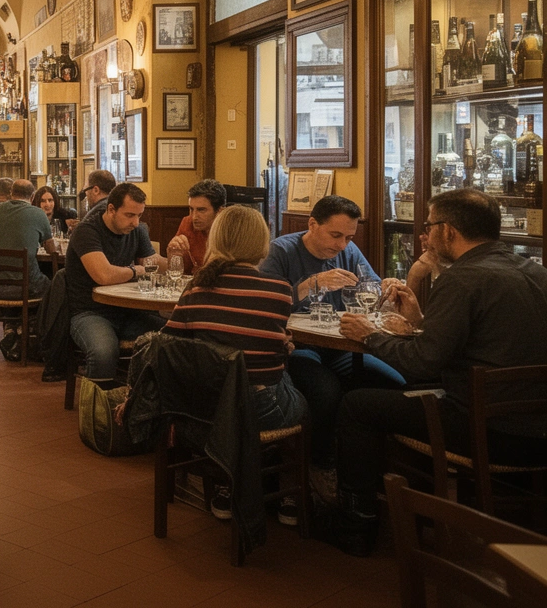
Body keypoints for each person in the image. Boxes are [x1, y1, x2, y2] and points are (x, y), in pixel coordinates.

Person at [324, 189, 547, 557]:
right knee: (408, 390)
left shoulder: (462, 279)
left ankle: (356, 525)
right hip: (536, 428)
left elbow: (422, 362)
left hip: (489, 430)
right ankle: (420, 508)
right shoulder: (536, 271)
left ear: (448, 231)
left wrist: (371, 335)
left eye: (428, 227)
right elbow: (476, 344)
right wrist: (419, 324)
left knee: (358, 404)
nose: (424, 236)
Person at [161, 205, 305, 523]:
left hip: (203, 412)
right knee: (304, 388)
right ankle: (290, 493)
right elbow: (268, 356)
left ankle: (229, 484)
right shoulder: (280, 291)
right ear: (262, 245)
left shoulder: (195, 288)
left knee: (254, 383)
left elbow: (168, 348)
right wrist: (282, 347)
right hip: (261, 412)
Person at [260, 195, 404, 470]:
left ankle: (374, 468)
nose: (341, 245)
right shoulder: (281, 251)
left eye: (349, 237)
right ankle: (318, 467)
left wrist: (387, 290)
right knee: (325, 393)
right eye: (335, 235)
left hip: (342, 346)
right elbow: (265, 304)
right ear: (312, 224)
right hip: (299, 347)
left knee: (393, 383)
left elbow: (372, 291)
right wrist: (310, 284)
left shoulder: (348, 253)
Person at [66, 183, 167, 388]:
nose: (136, 222)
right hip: (90, 311)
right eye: (130, 215)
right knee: (103, 352)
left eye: (139, 215)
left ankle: (146, 404)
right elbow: (103, 275)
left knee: (172, 337)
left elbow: (152, 261)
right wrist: (135, 271)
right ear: (111, 209)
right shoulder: (87, 231)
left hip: (130, 311)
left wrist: (176, 257)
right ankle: (98, 414)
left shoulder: (136, 230)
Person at [0, 179, 59, 359]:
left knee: (21, 275)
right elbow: (51, 250)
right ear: (33, 196)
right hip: (24, 288)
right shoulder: (37, 214)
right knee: (54, 287)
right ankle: (30, 332)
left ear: (11, 193)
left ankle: (13, 329)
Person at [165, 179, 227, 272]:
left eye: (201, 210)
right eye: (191, 209)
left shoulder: (231, 230)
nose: (194, 217)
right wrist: (173, 255)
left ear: (219, 211)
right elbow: (178, 272)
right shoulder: (187, 223)